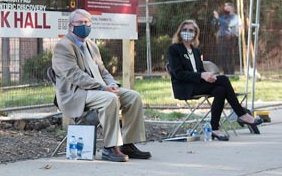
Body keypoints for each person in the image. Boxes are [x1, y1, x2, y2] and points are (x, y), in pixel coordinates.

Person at [51, 9, 152, 162]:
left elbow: (102, 70)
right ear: (71, 26)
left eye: (86, 22)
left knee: (133, 97)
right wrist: (102, 87)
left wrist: (111, 84)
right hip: (76, 94)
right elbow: (74, 75)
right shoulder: (63, 46)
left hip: (100, 89)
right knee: (110, 98)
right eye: (79, 22)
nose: (83, 25)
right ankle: (110, 148)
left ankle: (127, 144)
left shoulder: (91, 45)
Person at [167, 19, 261, 140]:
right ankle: (242, 114)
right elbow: (178, 74)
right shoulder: (174, 49)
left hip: (197, 84)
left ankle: (214, 129)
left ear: (195, 33)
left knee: (220, 89)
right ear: (179, 32)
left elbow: (199, 70)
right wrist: (202, 76)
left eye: (191, 30)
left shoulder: (196, 50)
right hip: (185, 87)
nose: (187, 32)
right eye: (184, 30)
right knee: (223, 79)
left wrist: (207, 75)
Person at [212, 2, 240, 75]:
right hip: (221, 39)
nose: (225, 8)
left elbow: (229, 24)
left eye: (227, 7)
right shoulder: (223, 17)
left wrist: (218, 18)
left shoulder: (235, 17)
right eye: (225, 7)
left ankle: (231, 73)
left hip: (230, 39)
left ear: (232, 8)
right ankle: (225, 73)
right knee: (222, 56)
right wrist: (215, 19)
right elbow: (215, 23)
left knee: (229, 56)